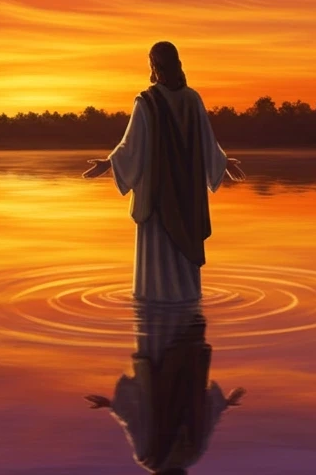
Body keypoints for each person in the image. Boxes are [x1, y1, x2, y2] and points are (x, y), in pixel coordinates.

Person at [83, 41, 243, 302]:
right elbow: (206, 142)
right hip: (188, 194)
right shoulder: (190, 99)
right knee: (180, 250)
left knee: (159, 248)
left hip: (158, 195)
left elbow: (131, 146)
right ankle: (184, 299)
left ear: (156, 66)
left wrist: (109, 163)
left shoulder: (148, 101)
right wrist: (223, 163)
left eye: (153, 64)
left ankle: (155, 296)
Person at [84, 301, 245, 475]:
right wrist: (110, 406)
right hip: (157, 377)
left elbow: (206, 420)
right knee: (154, 329)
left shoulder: (192, 456)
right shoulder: (148, 457)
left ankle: (188, 312)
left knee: (188, 329)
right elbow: (134, 422)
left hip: (188, 377)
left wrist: (225, 404)